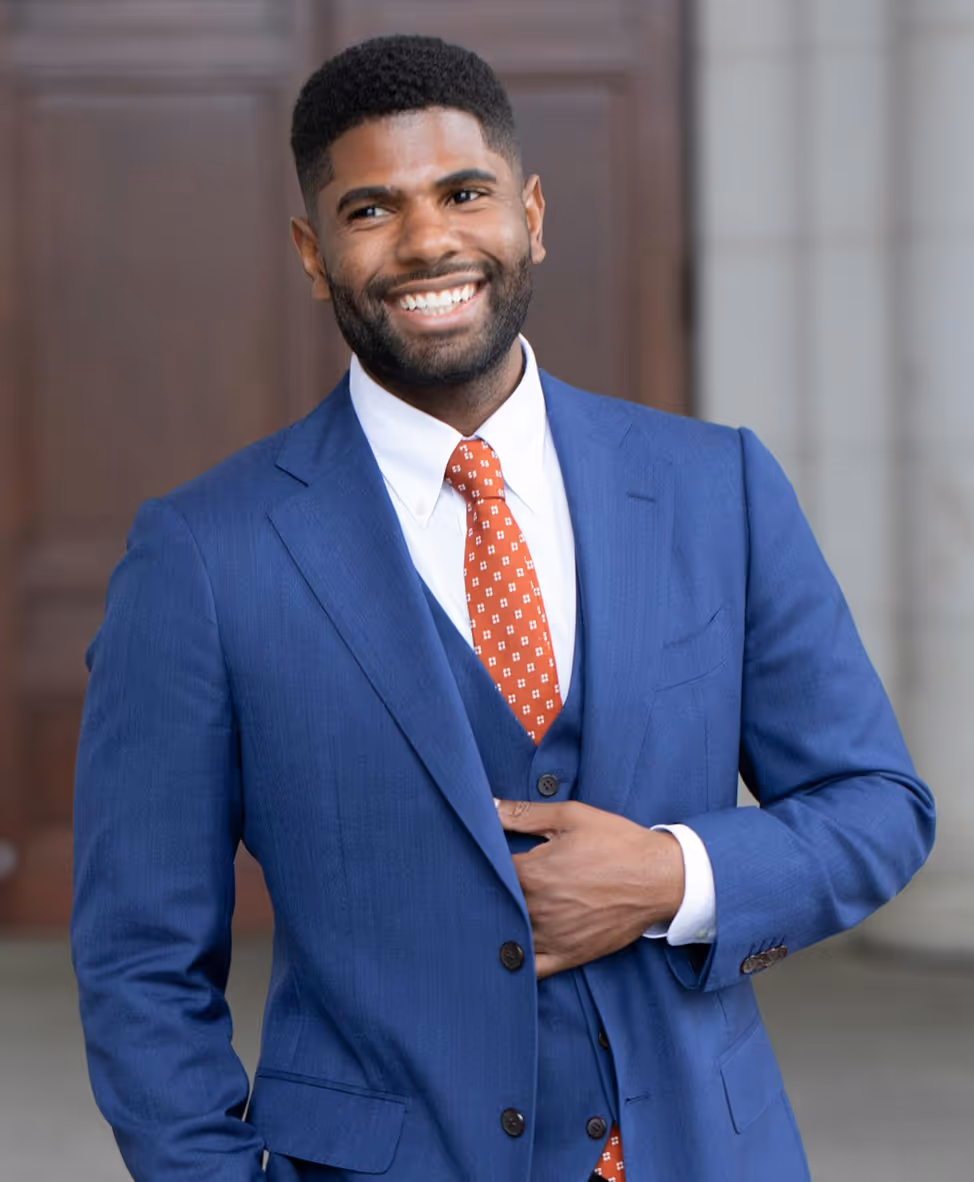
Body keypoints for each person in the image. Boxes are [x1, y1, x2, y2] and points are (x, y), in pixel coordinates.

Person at [71, 34, 935, 1182]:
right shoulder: (202, 555)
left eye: (463, 193)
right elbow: (138, 958)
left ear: (530, 214)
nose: (426, 240)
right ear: (312, 254)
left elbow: (875, 806)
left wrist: (669, 876)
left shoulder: (711, 486)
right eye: (370, 209)